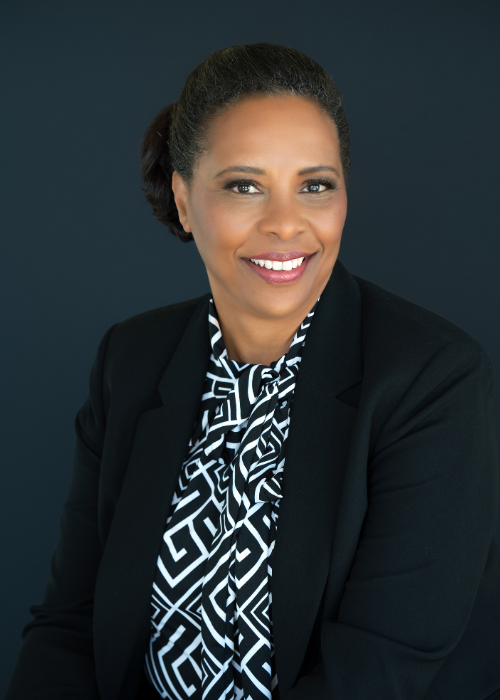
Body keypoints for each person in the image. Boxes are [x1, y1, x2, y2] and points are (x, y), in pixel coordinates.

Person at [6, 42, 500, 700]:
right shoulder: (130, 359)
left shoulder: (433, 379)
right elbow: (69, 626)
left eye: (314, 185)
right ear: (184, 200)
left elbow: (381, 668)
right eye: (245, 186)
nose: (286, 223)